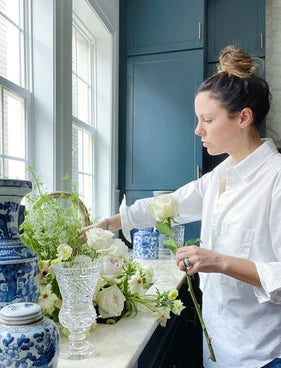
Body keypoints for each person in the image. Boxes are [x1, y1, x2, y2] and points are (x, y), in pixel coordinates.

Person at [82, 46, 281, 368]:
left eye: (208, 120)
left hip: (262, 355)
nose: (197, 130)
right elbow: (168, 205)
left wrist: (220, 261)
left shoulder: (276, 180)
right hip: (218, 345)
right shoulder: (222, 174)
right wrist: (103, 226)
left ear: (243, 117)